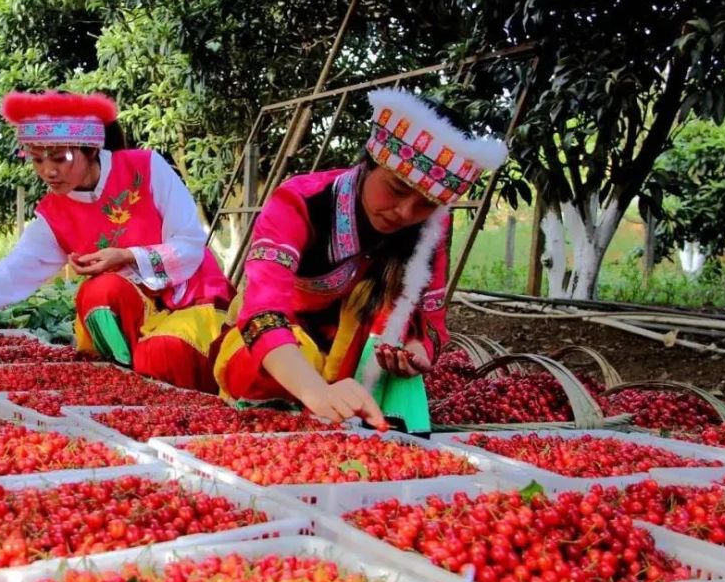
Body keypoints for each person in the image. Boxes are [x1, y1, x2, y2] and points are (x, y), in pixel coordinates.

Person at [0, 91, 234, 393]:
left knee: (163, 356)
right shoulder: (54, 215)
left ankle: (181, 387)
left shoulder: (146, 168)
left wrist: (125, 255)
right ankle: (131, 387)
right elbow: (0, 280)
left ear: (91, 150)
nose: (48, 171)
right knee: (97, 293)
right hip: (131, 316)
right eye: (37, 160)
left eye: (60, 158)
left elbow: (189, 243)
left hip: (191, 301)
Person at [212, 87, 507, 427]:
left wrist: (415, 352)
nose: (404, 211)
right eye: (396, 189)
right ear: (370, 163)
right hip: (272, 350)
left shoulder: (427, 234)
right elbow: (262, 311)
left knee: (392, 379)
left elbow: (430, 321)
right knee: (284, 372)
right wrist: (316, 392)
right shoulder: (301, 201)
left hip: (350, 355)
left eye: (426, 204)